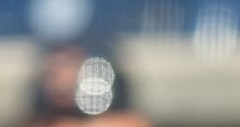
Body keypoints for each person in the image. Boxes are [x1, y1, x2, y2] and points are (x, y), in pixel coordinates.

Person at [24, 39, 153, 127]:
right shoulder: (42, 109)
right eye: (53, 71)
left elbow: (135, 122)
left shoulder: (110, 100)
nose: (60, 79)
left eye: (68, 66)